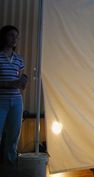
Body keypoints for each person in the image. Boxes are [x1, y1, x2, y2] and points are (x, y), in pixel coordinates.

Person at [0, 25, 27, 165]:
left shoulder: (19, 59)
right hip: (1, 100)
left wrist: (23, 82)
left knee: (14, 134)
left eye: (16, 36)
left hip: (16, 100)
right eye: (11, 35)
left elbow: (20, 83)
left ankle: (10, 162)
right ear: (4, 36)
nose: (14, 39)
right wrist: (10, 84)